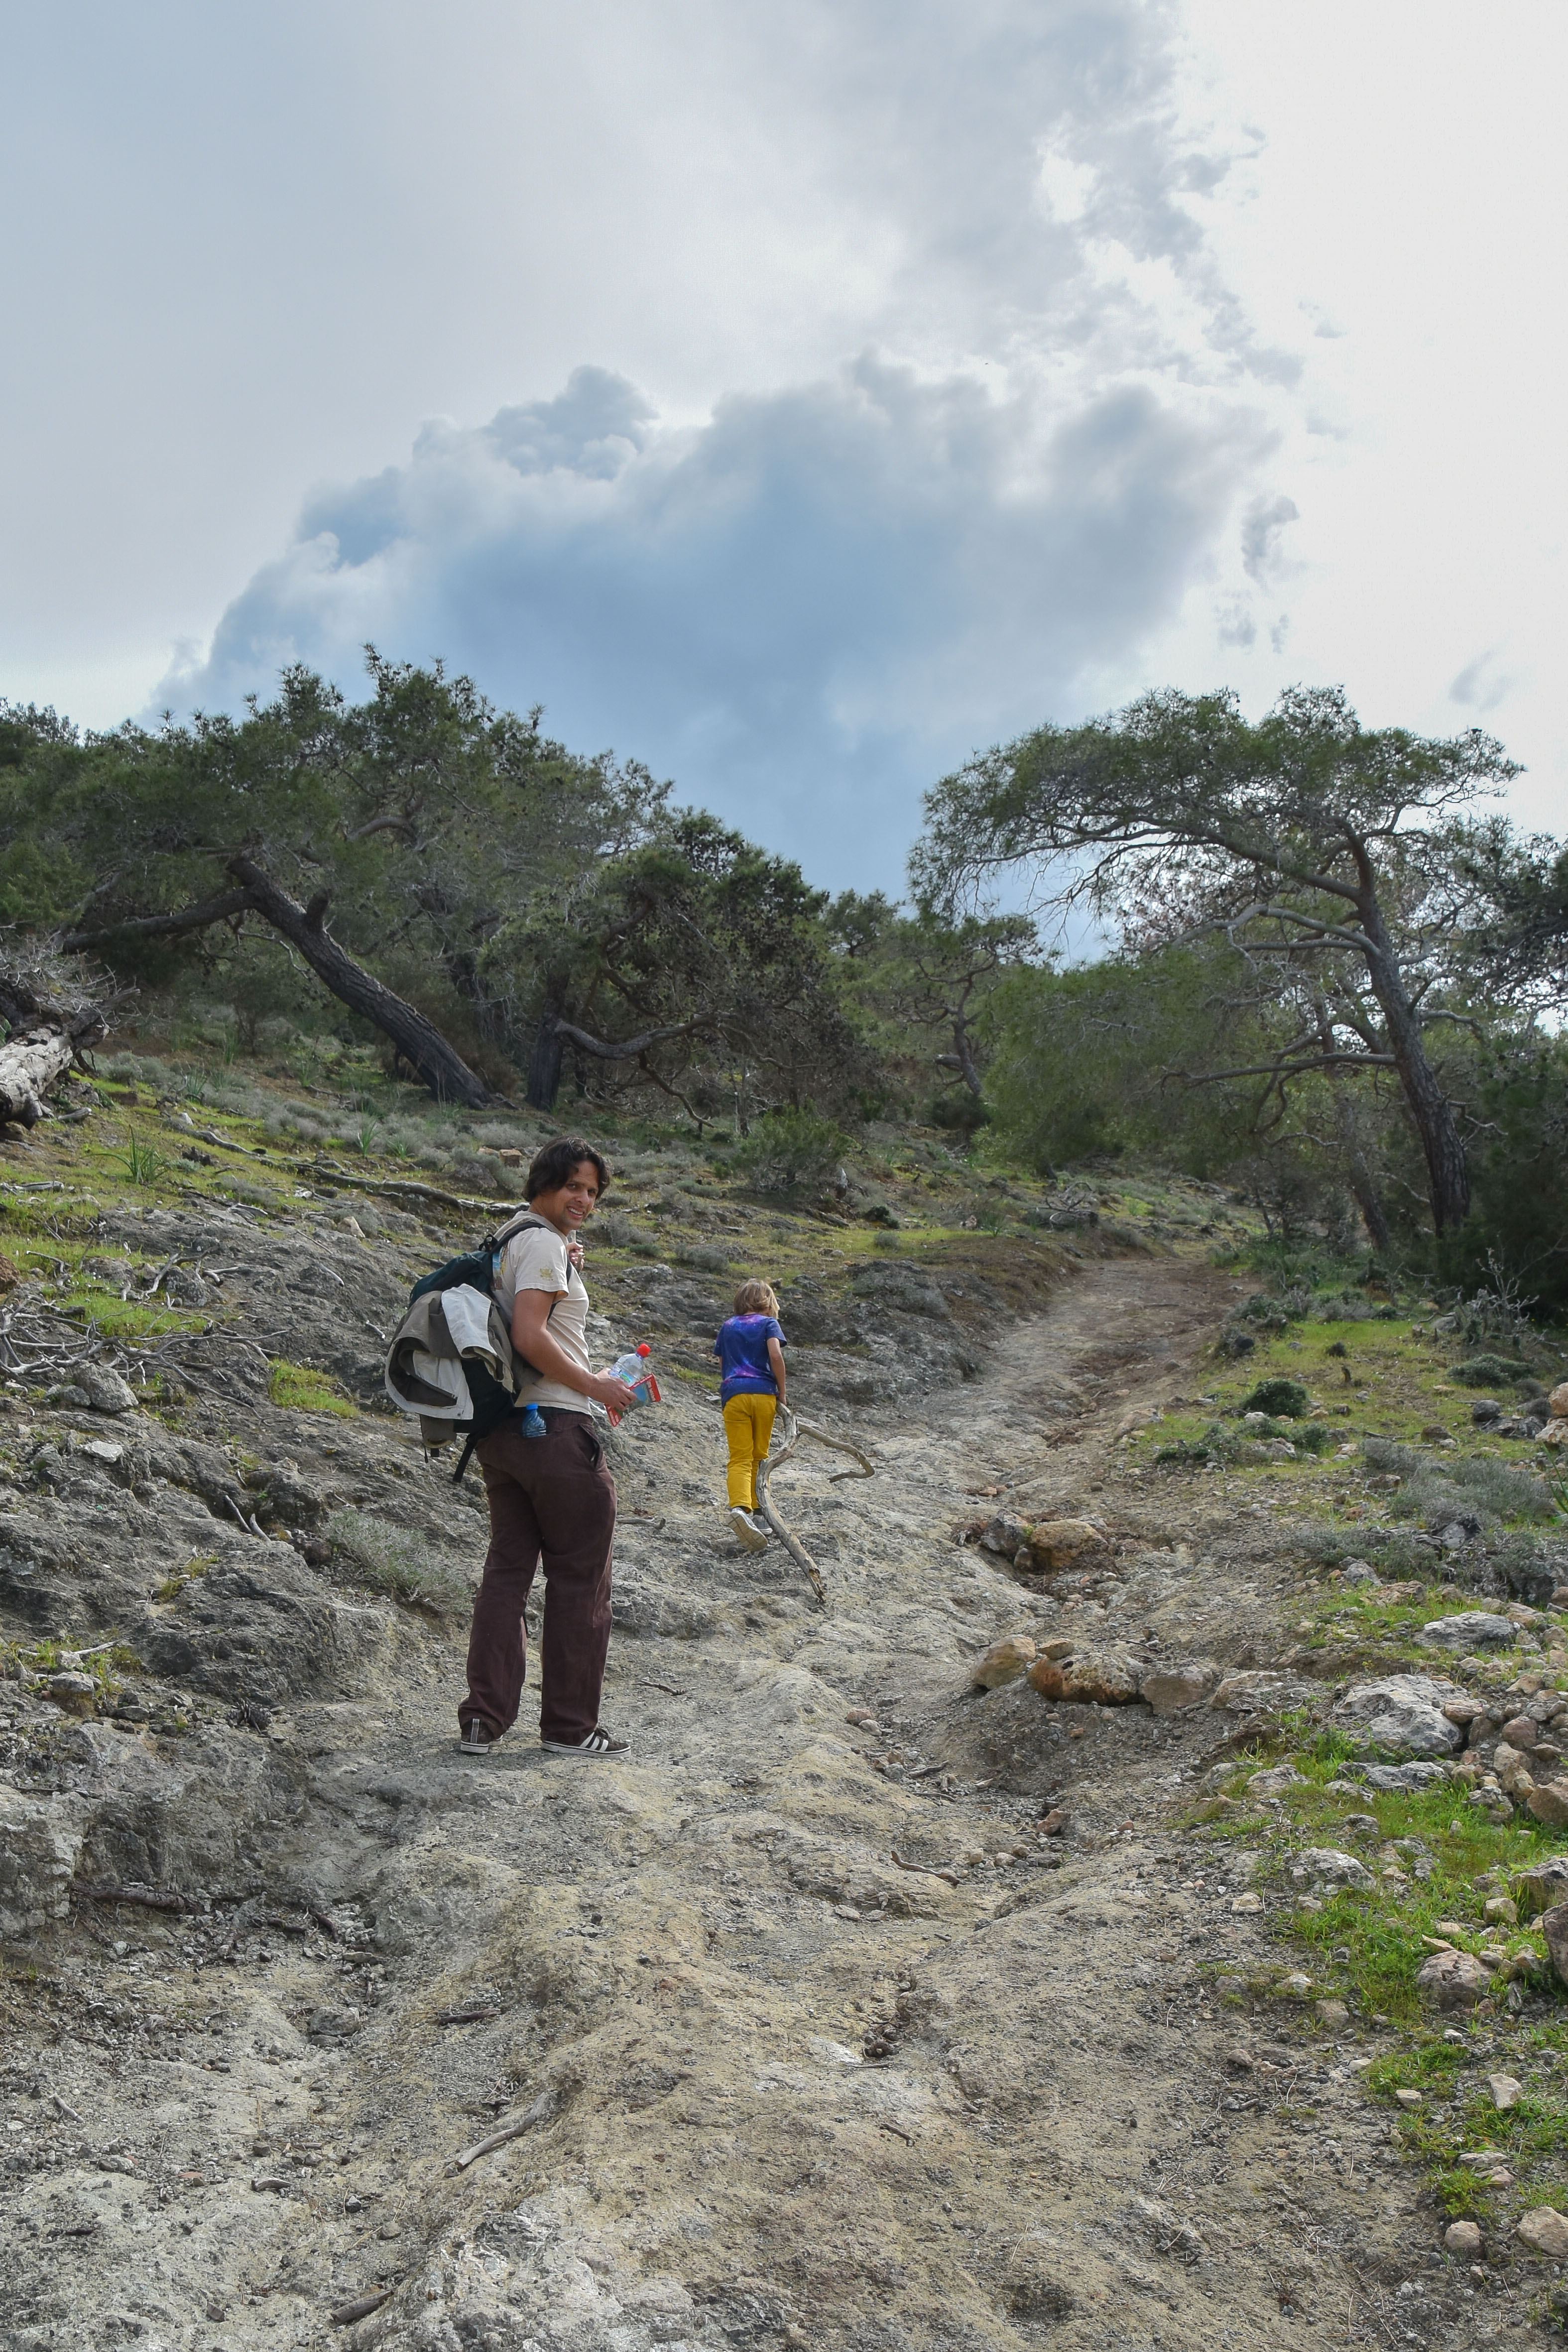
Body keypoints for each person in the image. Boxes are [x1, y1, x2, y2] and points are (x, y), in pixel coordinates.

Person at [458, 1137, 635, 1760]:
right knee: (580, 1577)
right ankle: (568, 1726)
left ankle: (482, 1719)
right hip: (556, 1428)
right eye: (574, 1186)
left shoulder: (513, 1238)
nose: (583, 1198)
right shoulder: (539, 1244)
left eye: (592, 1190)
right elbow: (531, 1334)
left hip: (501, 1434)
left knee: (506, 1573)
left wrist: (564, 1258)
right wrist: (597, 1385)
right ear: (545, 1182)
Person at [714, 1279, 787, 1552]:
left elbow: (723, 1363)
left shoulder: (728, 1326)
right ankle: (759, 1512)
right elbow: (776, 1357)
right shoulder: (769, 1324)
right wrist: (782, 1392)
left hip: (734, 1395)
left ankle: (741, 1508)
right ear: (768, 1302)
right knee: (760, 1454)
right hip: (764, 1395)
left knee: (740, 1456)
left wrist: (730, 1387)